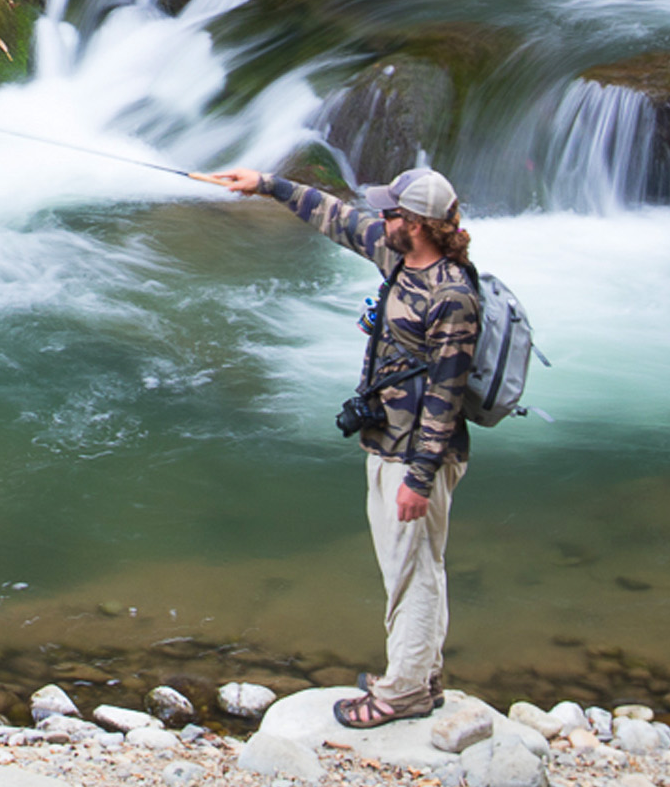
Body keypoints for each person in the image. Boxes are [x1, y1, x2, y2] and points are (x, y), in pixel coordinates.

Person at [198, 163, 479, 729]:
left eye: (393, 212)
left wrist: (420, 479)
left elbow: (447, 398)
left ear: (419, 225)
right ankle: (419, 674)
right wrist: (266, 184)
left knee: (411, 572)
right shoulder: (398, 255)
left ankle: (403, 694)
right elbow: (336, 217)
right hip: (388, 442)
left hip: (414, 456)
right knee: (416, 566)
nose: (381, 217)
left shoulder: (452, 297)